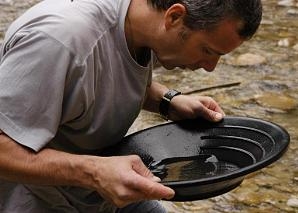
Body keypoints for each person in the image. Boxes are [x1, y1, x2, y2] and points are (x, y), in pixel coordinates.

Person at [0, 0, 262, 212]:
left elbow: (99, 78)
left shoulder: (139, 27)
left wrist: (167, 101)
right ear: (174, 16)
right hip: (34, 194)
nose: (210, 67)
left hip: (100, 188)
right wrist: (94, 172)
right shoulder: (59, 41)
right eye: (208, 50)